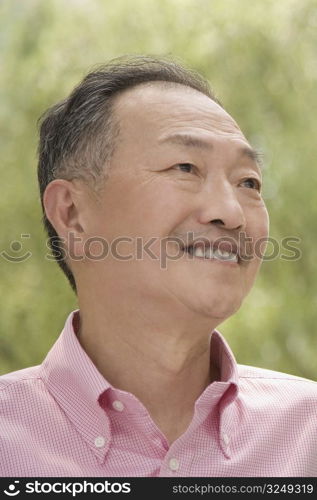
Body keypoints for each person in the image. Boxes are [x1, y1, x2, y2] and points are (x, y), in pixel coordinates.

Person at [1, 56, 316, 477]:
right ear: (73, 213)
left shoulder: (305, 434)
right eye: (185, 167)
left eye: (248, 183)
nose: (231, 213)